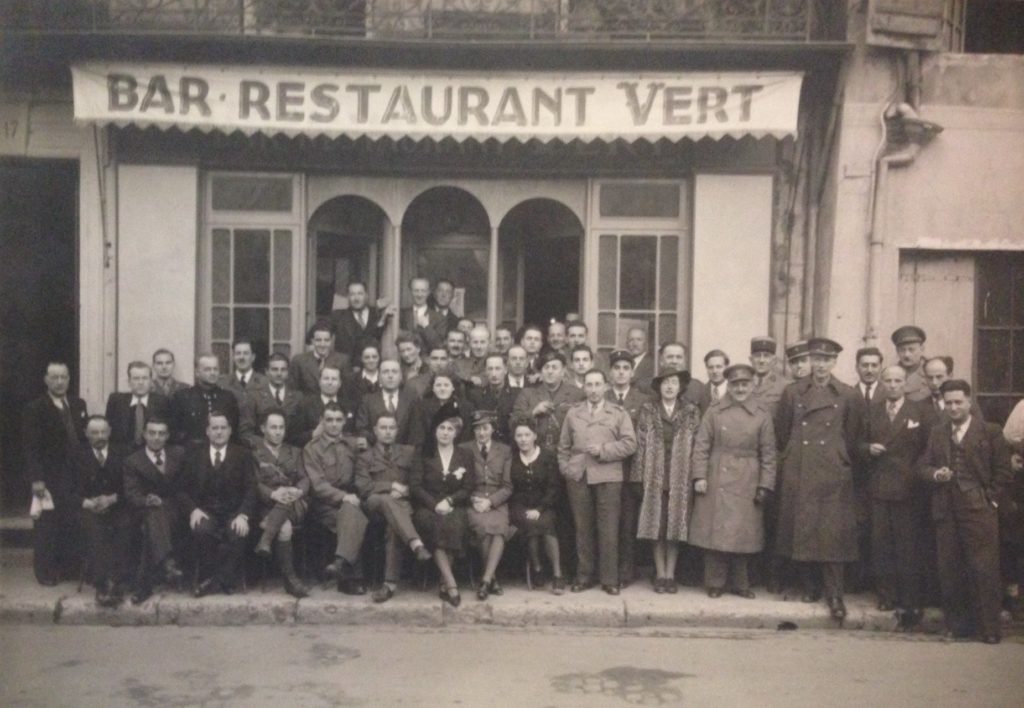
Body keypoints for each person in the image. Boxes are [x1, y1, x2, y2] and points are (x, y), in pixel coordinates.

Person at [773, 338, 861, 621]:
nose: (821, 365)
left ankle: (835, 594)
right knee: (805, 530)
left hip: (832, 473)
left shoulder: (847, 395)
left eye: (827, 359)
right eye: (817, 359)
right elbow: (782, 432)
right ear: (811, 361)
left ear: (835, 362)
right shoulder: (793, 393)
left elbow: (853, 435)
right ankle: (810, 587)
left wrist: (839, 458)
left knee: (832, 537)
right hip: (801, 469)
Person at [919, 379, 1012, 644]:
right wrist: (936, 473)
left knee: (983, 569)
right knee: (950, 569)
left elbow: (1003, 473)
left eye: (958, 402)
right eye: (948, 403)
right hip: (945, 509)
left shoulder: (990, 431)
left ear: (970, 402)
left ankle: (990, 629)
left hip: (978, 509)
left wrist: (990, 500)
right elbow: (922, 466)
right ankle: (958, 626)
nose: (953, 407)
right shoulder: (938, 432)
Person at [691, 364, 776, 599]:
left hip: (748, 477)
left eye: (745, 384)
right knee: (716, 532)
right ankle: (715, 582)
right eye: (736, 384)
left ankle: (741, 583)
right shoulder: (715, 410)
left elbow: (768, 453)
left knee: (743, 533)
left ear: (752, 385)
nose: (740, 388)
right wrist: (699, 476)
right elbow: (701, 445)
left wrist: (765, 484)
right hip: (717, 472)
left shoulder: (761, 413)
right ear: (729, 385)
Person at [857, 365, 930, 627]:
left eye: (897, 380)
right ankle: (886, 595)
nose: (892, 385)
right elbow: (858, 442)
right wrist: (868, 448)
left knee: (907, 545)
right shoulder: (872, 411)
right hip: (879, 487)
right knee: (881, 543)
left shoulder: (918, 411)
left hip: (907, 489)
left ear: (905, 384)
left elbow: (928, 448)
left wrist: (914, 473)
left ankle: (909, 598)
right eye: (887, 380)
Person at [559, 369, 637, 595]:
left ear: (606, 386)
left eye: (598, 385)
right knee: (583, 528)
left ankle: (609, 579)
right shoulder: (573, 413)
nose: (593, 390)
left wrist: (604, 450)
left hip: (608, 476)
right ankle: (584, 576)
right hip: (579, 476)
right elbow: (563, 447)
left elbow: (630, 444)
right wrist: (566, 469)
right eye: (589, 385)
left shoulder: (618, 413)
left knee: (609, 529)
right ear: (584, 387)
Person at [633, 367, 700, 594]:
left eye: (674, 382)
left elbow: (698, 447)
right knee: (657, 526)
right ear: (659, 387)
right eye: (665, 383)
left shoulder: (691, 412)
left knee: (675, 527)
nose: (670, 387)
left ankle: (671, 574)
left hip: (680, 476)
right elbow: (640, 445)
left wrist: (695, 476)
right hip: (654, 476)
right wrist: (638, 477)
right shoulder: (648, 410)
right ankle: (659, 573)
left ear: (680, 387)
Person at [355, 413, 433, 604]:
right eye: (383, 428)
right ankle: (416, 543)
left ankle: (389, 585)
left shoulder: (409, 452)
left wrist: (406, 490)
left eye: (391, 428)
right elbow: (364, 487)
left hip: (402, 507)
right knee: (387, 500)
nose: (387, 432)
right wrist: (391, 487)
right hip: (373, 506)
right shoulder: (365, 457)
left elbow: (419, 481)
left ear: (397, 431)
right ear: (375, 431)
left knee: (393, 527)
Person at [23, 361, 88, 585]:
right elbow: (31, 447)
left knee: (70, 520)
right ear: (46, 380)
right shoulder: (36, 408)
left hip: (74, 475)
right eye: (55, 377)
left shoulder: (78, 405)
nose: (60, 382)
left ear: (69, 379)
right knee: (47, 523)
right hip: (49, 474)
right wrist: (37, 478)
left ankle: (68, 568)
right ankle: (45, 572)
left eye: (64, 377)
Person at [184, 411, 257, 597]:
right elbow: (181, 489)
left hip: (233, 511)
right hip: (205, 510)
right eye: (214, 428)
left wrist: (243, 515)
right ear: (207, 431)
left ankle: (219, 580)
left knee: (237, 531)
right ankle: (216, 578)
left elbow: (251, 489)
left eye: (223, 428)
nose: (219, 432)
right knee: (201, 529)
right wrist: (193, 509)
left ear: (230, 431)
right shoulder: (194, 455)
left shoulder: (242, 455)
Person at [411, 402, 476, 607]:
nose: (445, 433)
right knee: (435, 524)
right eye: (442, 428)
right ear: (435, 430)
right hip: (428, 506)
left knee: (455, 523)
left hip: (454, 505)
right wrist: (434, 504)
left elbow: (468, 487)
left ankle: (444, 583)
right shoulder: (423, 452)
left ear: (456, 433)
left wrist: (450, 500)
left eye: (450, 429)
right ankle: (451, 584)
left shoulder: (465, 454)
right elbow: (415, 486)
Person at [304, 403, 370, 595]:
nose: (334, 424)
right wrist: (344, 497)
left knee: (352, 512)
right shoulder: (312, 448)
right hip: (324, 503)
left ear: (344, 422)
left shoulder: (353, 444)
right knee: (351, 515)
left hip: (354, 497)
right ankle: (350, 577)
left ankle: (340, 563)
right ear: (322, 422)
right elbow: (318, 485)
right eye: (329, 420)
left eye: (338, 420)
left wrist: (353, 495)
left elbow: (363, 469)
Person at [123, 417, 188, 604]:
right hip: (145, 511)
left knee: (152, 528)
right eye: (152, 433)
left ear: (167, 436)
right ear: (144, 434)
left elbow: (187, 484)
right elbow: (131, 493)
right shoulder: (133, 461)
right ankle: (166, 563)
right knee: (152, 520)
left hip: (175, 509)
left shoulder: (179, 454)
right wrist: (147, 500)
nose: (156, 438)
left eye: (161, 433)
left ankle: (144, 585)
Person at [73, 415, 132, 607]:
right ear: (86, 434)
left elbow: (132, 487)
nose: (100, 436)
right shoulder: (76, 455)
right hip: (88, 509)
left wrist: (112, 499)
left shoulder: (123, 454)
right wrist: (88, 503)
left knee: (125, 526)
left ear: (110, 432)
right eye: (94, 432)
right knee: (95, 529)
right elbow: (66, 490)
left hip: (117, 506)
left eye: (103, 432)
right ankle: (102, 584)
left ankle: (118, 582)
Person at [251, 409, 310, 598]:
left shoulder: (294, 451)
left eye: (281, 427)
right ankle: (291, 581)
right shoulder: (255, 453)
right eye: (273, 427)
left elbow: (304, 478)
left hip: (294, 504)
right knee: (284, 528)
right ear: (263, 429)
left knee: (285, 504)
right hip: (265, 505)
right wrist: (273, 494)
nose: (278, 432)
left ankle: (265, 540)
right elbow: (254, 483)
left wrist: (298, 490)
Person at [605, 349, 650, 588]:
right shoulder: (601, 398)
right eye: (616, 368)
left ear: (632, 373)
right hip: (605, 469)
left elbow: (644, 439)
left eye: (625, 368)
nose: (621, 372)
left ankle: (625, 572)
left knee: (628, 523)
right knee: (608, 522)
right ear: (610, 372)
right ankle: (607, 570)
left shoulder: (642, 400)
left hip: (632, 470)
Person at [461, 411, 514, 600]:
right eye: (477, 429)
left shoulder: (505, 450)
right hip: (474, 500)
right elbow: (459, 484)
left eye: (485, 428)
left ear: (492, 429)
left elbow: (508, 486)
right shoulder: (464, 449)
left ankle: (485, 580)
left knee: (499, 528)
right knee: (483, 528)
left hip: (497, 500)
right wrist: (472, 500)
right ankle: (491, 578)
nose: (481, 433)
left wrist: (491, 501)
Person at [509, 417, 565, 594]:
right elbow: (510, 488)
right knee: (529, 523)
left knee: (545, 524)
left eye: (527, 434)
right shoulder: (511, 458)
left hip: (545, 505)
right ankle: (538, 568)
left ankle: (557, 574)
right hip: (519, 506)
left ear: (534, 436)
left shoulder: (547, 456)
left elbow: (554, 488)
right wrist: (526, 510)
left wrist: (539, 509)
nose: (523, 439)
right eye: (519, 435)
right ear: (515, 438)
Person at [850, 346, 885, 593]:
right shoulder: (848, 395)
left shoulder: (890, 394)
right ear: (857, 367)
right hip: (855, 473)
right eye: (865, 365)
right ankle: (857, 580)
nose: (870, 370)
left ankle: (879, 583)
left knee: (882, 529)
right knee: (857, 526)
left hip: (884, 474)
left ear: (880, 367)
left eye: (874, 365)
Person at [514, 351, 584, 453]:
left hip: (566, 453)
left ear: (563, 371)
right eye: (546, 367)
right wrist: (534, 411)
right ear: (541, 371)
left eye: (554, 368)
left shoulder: (576, 394)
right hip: (536, 452)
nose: (550, 371)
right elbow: (514, 422)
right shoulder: (527, 393)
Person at [171, 353, 240, 447]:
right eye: (207, 369)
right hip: (191, 452)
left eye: (215, 369)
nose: (213, 373)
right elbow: (175, 432)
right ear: (197, 372)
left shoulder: (227, 397)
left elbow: (234, 431)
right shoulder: (183, 397)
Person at [239, 352, 304, 448]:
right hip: (261, 452)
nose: (279, 373)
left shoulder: (297, 397)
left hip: (290, 453)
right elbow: (245, 432)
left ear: (288, 372)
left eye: (283, 370)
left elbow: (300, 432)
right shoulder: (254, 397)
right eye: (274, 369)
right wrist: (264, 446)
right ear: (266, 372)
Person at [355, 359, 424, 448]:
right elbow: (362, 428)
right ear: (379, 377)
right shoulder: (367, 400)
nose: (390, 376)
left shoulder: (411, 400)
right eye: (385, 372)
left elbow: (417, 432)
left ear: (401, 377)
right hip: (376, 454)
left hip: (405, 455)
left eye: (394, 372)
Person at [105, 361, 171, 450]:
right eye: (136, 378)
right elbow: (108, 431)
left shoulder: (162, 402)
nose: (141, 382)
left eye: (145, 378)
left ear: (151, 381)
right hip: (121, 455)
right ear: (129, 381)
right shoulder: (116, 401)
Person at [293, 365, 356, 448]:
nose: (330, 382)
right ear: (319, 382)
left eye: (334, 379)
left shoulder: (350, 405)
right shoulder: (305, 405)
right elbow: (293, 437)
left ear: (340, 383)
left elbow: (355, 433)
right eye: (326, 378)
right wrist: (313, 434)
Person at [330, 280, 393, 362]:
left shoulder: (377, 314)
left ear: (366, 295)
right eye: (352, 294)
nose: (356, 298)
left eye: (360, 294)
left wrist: (383, 318)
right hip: (346, 369)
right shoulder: (338, 316)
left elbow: (377, 335)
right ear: (348, 297)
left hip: (372, 366)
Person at [290, 320, 353, 395]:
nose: (322, 344)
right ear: (312, 341)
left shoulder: (343, 360)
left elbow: (347, 390)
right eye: (318, 340)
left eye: (326, 340)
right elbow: (293, 390)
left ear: (331, 341)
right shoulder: (299, 361)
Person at [468, 354, 517, 444]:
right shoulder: (475, 395)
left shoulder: (516, 394)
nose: (494, 374)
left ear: (505, 370)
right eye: (490, 369)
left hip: (509, 444)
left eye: (498, 369)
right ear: (485, 371)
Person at [399, 277, 447, 353]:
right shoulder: (402, 314)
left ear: (428, 292)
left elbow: (439, 345)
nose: (419, 294)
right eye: (416, 291)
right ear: (411, 291)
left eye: (423, 291)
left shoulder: (439, 318)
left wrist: (426, 326)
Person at [217, 338, 268, 407]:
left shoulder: (264, 382)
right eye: (238, 353)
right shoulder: (223, 383)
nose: (241, 357)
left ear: (253, 357)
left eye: (246, 353)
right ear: (233, 357)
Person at [658, 342, 706, 407]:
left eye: (679, 357)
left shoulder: (698, 387)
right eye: (669, 357)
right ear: (661, 361)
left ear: (685, 361)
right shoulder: (648, 387)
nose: (674, 361)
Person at [750, 336, 789, 416]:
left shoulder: (784, 386)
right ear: (751, 359)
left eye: (766, 356)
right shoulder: (743, 383)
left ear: (774, 360)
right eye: (757, 356)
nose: (761, 360)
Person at [891, 325, 929, 401]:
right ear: (897, 351)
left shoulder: (930, 374)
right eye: (902, 350)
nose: (906, 355)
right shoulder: (890, 374)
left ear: (922, 349)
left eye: (911, 350)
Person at [699, 349, 729, 415]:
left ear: (726, 368)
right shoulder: (700, 392)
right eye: (710, 367)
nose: (714, 371)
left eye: (719, 367)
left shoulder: (734, 390)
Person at [626, 327, 654, 392]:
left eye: (639, 340)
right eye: (631, 340)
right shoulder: (624, 362)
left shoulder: (653, 363)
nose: (635, 344)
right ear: (627, 343)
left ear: (646, 343)